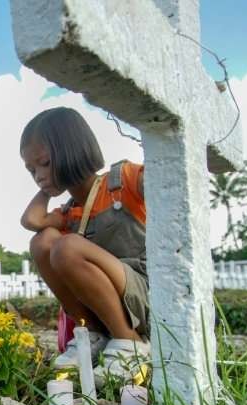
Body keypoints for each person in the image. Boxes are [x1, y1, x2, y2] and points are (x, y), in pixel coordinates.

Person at [18, 107, 150, 386]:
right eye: (31, 170)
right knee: (43, 241)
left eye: (44, 163)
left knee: (67, 247)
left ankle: (130, 343)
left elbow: (165, 178)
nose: (38, 175)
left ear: (71, 149)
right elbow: (31, 220)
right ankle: (91, 334)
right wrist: (47, 185)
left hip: (146, 295)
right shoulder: (69, 211)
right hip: (107, 306)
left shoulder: (122, 180)